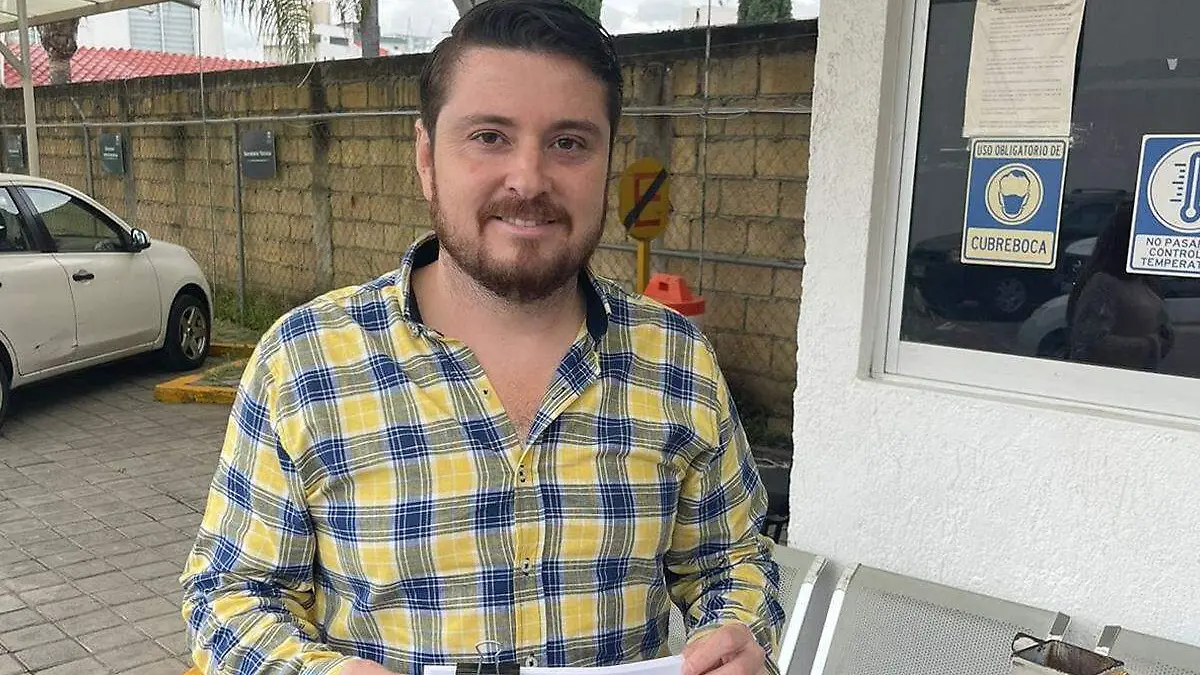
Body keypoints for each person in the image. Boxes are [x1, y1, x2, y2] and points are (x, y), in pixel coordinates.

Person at [179, 1, 784, 674]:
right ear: (427, 157)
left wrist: (736, 635)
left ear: (608, 163)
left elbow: (733, 560)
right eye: (490, 136)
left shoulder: (675, 360)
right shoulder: (304, 361)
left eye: (569, 142)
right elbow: (229, 593)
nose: (528, 179)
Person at [1067, 201, 1174, 371]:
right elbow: (1090, 344)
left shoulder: (1145, 281)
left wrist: (1164, 338)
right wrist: (1150, 345)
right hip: (1109, 379)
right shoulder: (1103, 284)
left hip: (1142, 378)